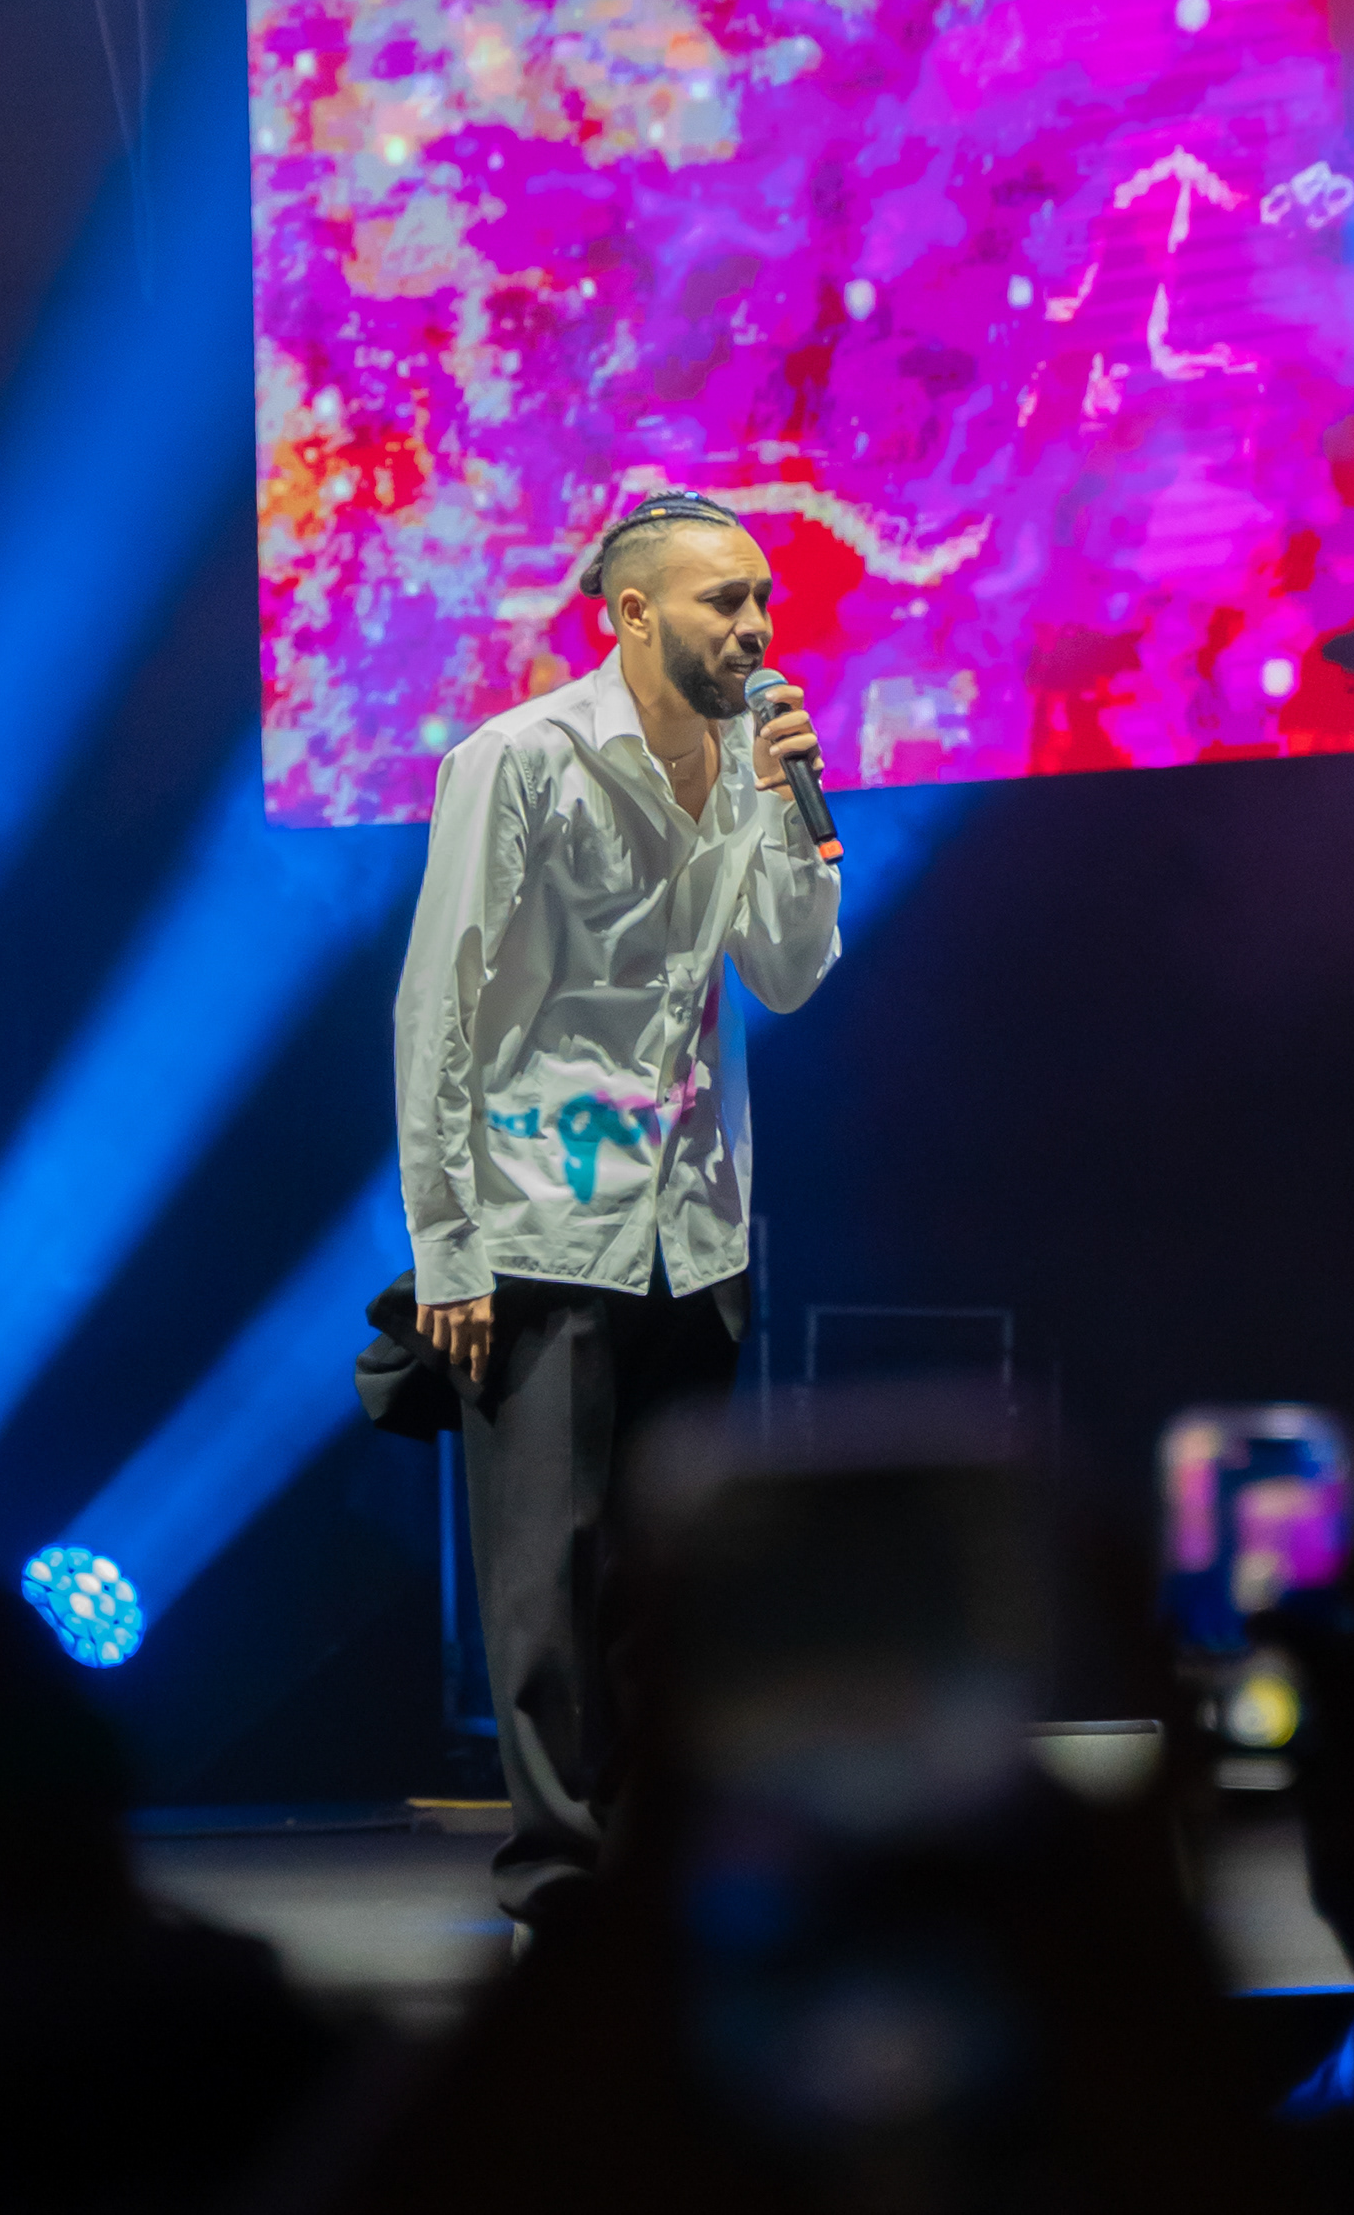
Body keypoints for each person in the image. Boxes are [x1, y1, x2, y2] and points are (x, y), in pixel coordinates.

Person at [392, 487, 840, 1929]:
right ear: (635, 612)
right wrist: (447, 1247)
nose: (756, 627)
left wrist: (791, 815)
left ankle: (661, 1881)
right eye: (726, 600)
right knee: (548, 1591)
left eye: (763, 599)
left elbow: (787, 976)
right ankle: (562, 1893)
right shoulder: (519, 760)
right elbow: (439, 1007)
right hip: (542, 1223)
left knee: (672, 1583)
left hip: (694, 1228)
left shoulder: (752, 765)